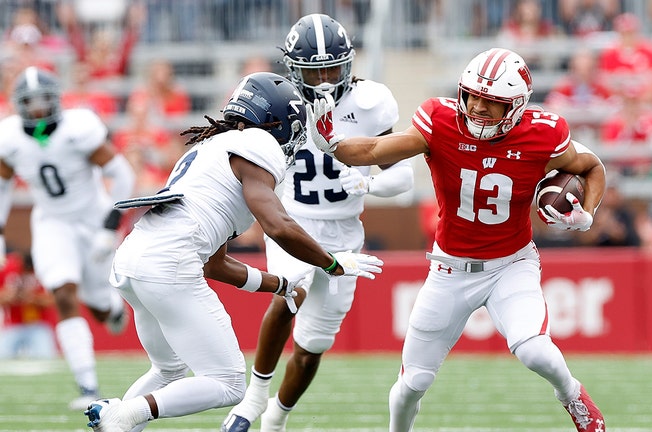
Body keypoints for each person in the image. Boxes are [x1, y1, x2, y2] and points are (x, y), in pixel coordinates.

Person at [307, 47, 607, 431]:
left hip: (510, 264)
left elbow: (591, 166)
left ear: (515, 107)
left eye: (492, 102)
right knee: (412, 383)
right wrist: (334, 145)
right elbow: (376, 148)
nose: (478, 107)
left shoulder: (542, 135)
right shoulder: (441, 121)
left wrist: (587, 214)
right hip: (449, 269)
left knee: (535, 351)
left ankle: (573, 398)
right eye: (473, 96)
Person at [82, 71, 383, 432]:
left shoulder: (214, 148)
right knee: (228, 383)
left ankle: (118, 421)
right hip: (168, 265)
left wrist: (279, 285)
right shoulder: (258, 144)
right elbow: (278, 225)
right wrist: (333, 263)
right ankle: (123, 414)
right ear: (277, 121)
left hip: (133, 260)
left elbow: (216, 264)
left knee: (169, 371)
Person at [221, 14, 414, 432]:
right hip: (293, 217)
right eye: (314, 70)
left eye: (332, 68)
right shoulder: (278, 98)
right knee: (291, 290)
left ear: (348, 63)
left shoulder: (371, 101)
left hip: (345, 230)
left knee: (312, 348)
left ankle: (276, 417)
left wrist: (367, 182)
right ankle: (254, 396)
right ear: (294, 68)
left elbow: (403, 176)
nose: (325, 81)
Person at [0, 66, 135, 410]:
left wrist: (111, 223)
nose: (39, 109)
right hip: (52, 222)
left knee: (100, 308)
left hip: (92, 217)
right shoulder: (10, 138)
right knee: (62, 292)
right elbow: (1, 186)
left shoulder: (79, 128)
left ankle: (111, 308)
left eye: (44, 100)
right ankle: (87, 384)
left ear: (56, 99)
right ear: (19, 105)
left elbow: (121, 174)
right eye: (30, 103)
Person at [0, 251, 57, 359]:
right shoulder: (8, 269)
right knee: (2, 360)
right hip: (12, 325)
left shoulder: (43, 272)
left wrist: (33, 299)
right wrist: (9, 296)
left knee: (46, 359)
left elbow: (53, 299)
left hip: (38, 324)